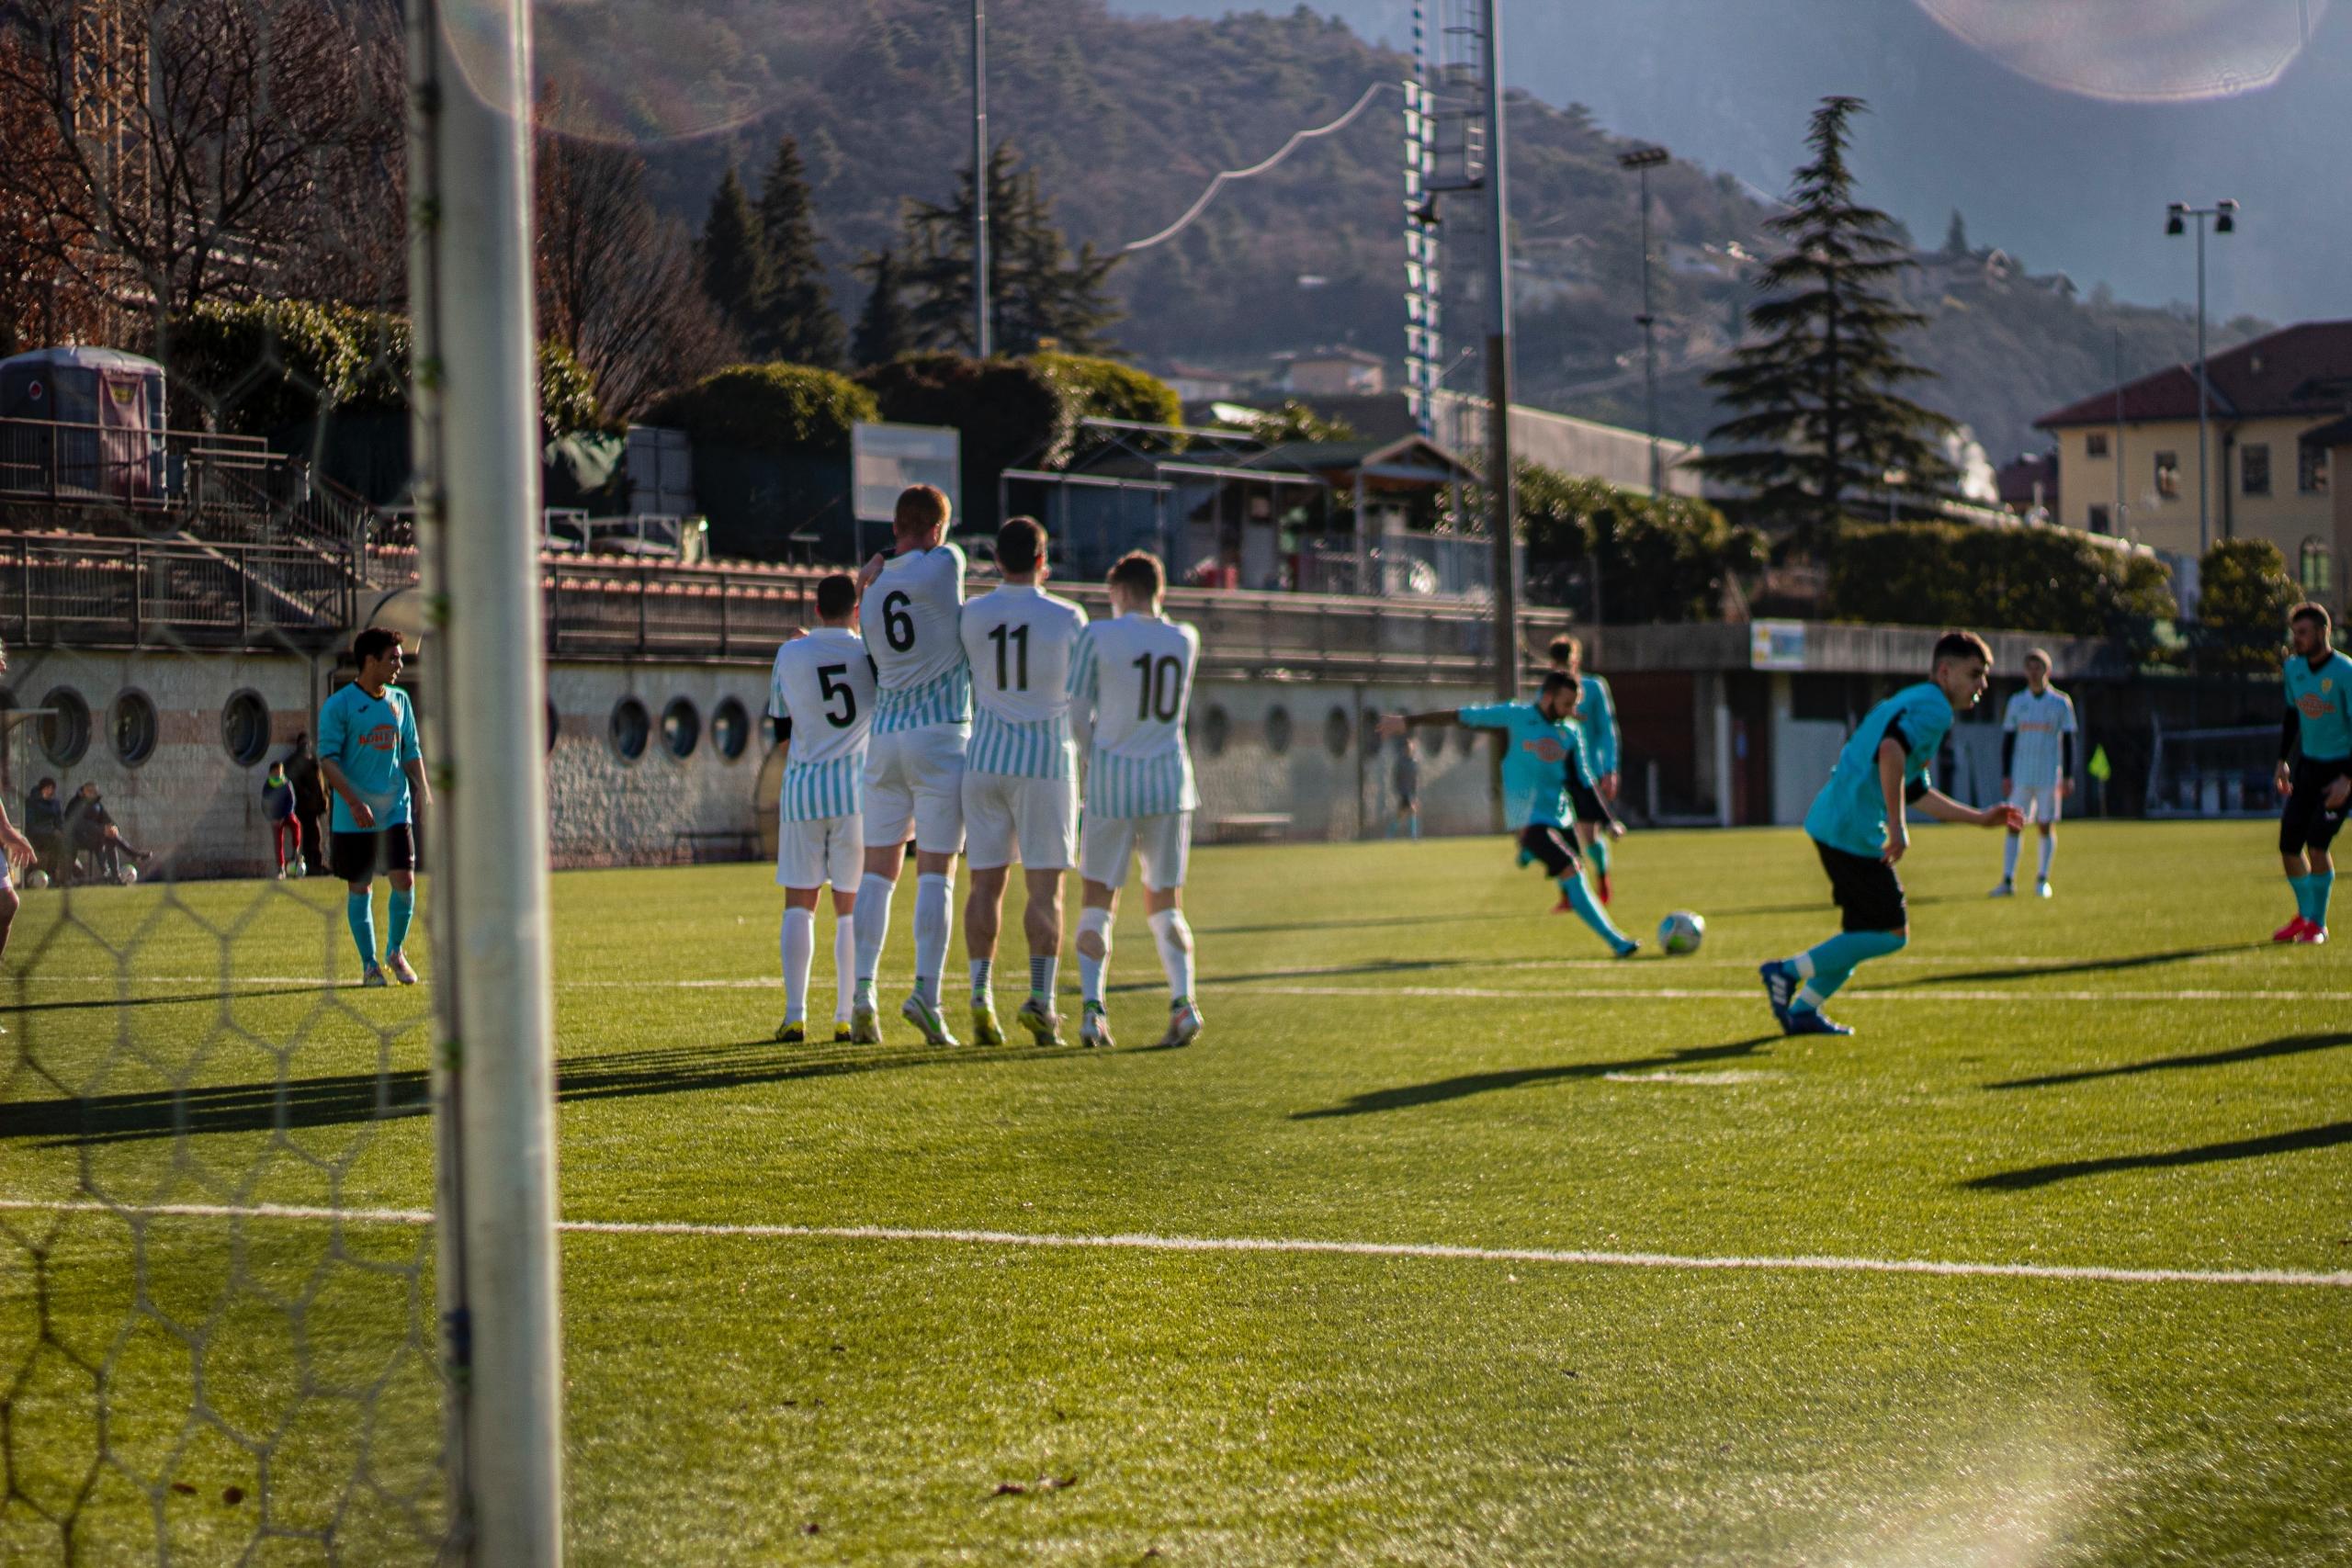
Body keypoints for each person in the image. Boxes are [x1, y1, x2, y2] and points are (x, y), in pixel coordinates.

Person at [1760, 630, 2021, 1037]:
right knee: (1891, 933)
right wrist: (1897, 827)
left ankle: (1805, 1011)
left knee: (1862, 933)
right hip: (1850, 829)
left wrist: (1979, 819)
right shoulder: (1935, 709)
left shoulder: (1915, 700)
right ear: (1945, 671)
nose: (1981, 685)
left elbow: (1915, 788)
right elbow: (1891, 752)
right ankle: (1786, 971)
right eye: (1975, 674)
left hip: (1837, 823)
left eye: (1984, 676)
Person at [1380, 671, 1640, 958]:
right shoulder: (1515, 717)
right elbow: (1460, 716)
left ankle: (1526, 854)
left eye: (1575, 705)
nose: (1572, 711)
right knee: (1572, 870)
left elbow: (1585, 781)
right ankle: (1617, 941)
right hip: (1526, 819)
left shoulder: (1570, 732)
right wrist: (1409, 721)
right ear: (1549, 697)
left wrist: (1608, 820)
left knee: (1573, 868)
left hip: (1559, 816)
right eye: (1567, 704)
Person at [958, 516, 1088, 1048]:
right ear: (1042, 559)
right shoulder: (1068, 616)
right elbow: (1081, 704)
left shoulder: (971, 613)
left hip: (984, 756)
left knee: (984, 884)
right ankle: (1041, 1000)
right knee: (1045, 890)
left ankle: (978, 995)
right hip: (1045, 761)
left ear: (996, 559)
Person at [1068, 550, 1205, 1049]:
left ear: (1119, 592)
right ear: (1159, 591)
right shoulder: (1184, 637)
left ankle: (1092, 1013)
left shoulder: (1097, 635)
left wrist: (1092, 757)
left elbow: (1077, 713)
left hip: (1112, 783)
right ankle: (1183, 1004)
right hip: (1170, 782)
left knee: (1098, 898)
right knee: (1165, 901)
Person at [852, 484, 970, 1045]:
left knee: (877, 871)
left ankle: (862, 993)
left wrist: (869, 571)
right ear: (937, 529)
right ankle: (926, 993)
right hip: (940, 736)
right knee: (937, 872)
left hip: (886, 739)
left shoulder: (872, 591)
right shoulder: (946, 563)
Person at [767, 574, 876, 1043]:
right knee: (849, 909)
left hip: (803, 793)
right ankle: (846, 1015)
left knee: (799, 904)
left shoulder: (790, 653)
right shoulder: (870, 655)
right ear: (856, 611)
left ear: (815, 610)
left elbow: (780, 728)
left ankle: (795, 1014)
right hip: (856, 795)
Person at [318, 627, 431, 987]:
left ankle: (395, 952)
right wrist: (353, 802)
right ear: (371, 660)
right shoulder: (340, 706)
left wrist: (424, 792)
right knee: (360, 886)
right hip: (354, 816)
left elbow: (411, 751)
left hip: (395, 809)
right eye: (393, 657)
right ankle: (369, 966)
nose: (399, 663)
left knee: (405, 881)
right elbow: (328, 761)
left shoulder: (400, 700)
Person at [2271, 602, 2352, 944]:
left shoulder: (2345, 671)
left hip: (2342, 771)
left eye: (2303, 633)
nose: (2298, 639)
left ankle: (2318, 924)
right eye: (2295, 633)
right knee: (2289, 845)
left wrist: (2348, 779)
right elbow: (2292, 716)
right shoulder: (2293, 669)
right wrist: (2282, 760)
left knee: (2317, 845)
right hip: (2308, 766)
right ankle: (2304, 917)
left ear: (2322, 632)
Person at [1990, 648, 2076, 898]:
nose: (2033, 671)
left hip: (2048, 776)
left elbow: (2070, 740)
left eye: (2038, 666)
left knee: (2045, 825)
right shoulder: (2017, 702)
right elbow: (2007, 739)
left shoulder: (2061, 703)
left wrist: (2069, 775)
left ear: (2047, 670)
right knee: (2015, 824)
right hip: (2021, 777)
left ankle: (2042, 879)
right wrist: (2006, 774)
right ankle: (2007, 880)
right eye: (2030, 667)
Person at [1549, 636, 1623, 901]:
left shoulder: (1594, 687)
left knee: (1589, 834)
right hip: (1557, 774)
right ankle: (1569, 895)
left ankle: (1602, 877)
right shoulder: (1547, 692)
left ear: (1576, 661)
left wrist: (1610, 769)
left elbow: (1606, 731)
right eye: (1557, 664)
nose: (1561, 669)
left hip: (1587, 773)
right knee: (1559, 833)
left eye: (1565, 663)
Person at [64, 783, 150, 883]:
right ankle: (132, 854)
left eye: (94, 791)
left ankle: (115, 876)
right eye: (90, 791)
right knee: (107, 835)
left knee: (111, 837)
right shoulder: (76, 804)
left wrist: (114, 828)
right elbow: (80, 824)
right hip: (78, 838)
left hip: (95, 837)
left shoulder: (97, 805)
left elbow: (108, 820)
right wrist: (102, 829)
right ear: (83, 791)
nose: (93, 793)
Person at [284, 734, 327, 877]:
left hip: (315, 807)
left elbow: (320, 784)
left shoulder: (313, 760)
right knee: (312, 837)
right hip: (305, 807)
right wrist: (306, 793)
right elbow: (291, 779)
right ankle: (311, 865)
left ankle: (316, 864)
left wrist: (324, 800)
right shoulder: (295, 761)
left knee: (315, 837)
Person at [263, 759, 302, 878]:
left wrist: (285, 815)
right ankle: (281, 869)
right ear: (270, 773)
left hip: (286, 814)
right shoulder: (268, 786)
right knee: (278, 841)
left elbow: (291, 801)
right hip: (275, 817)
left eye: (279, 773)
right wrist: (273, 818)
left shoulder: (286, 783)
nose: (277, 775)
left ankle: (296, 851)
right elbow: (265, 804)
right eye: (275, 773)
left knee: (296, 825)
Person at [23, 778, 66, 885]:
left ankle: (55, 874)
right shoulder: (32, 802)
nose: (49, 791)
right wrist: (51, 831)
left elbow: (59, 821)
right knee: (58, 840)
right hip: (36, 835)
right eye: (47, 788)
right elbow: (31, 824)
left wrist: (61, 830)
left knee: (63, 841)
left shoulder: (55, 803)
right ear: (41, 789)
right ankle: (49, 874)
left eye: (52, 788)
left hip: (52, 835)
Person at [1390, 734, 1421, 840]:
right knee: (1410, 812)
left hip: (1411, 792)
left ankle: (1390, 835)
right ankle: (1413, 836)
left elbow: (1415, 780)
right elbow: (1396, 777)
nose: (1409, 750)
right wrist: (1398, 790)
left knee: (1402, 815)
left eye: (1410, 748)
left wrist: (1415, 794)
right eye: (1407, 748)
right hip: (1404, 792)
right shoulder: (1401, 762)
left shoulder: (1414, 762)